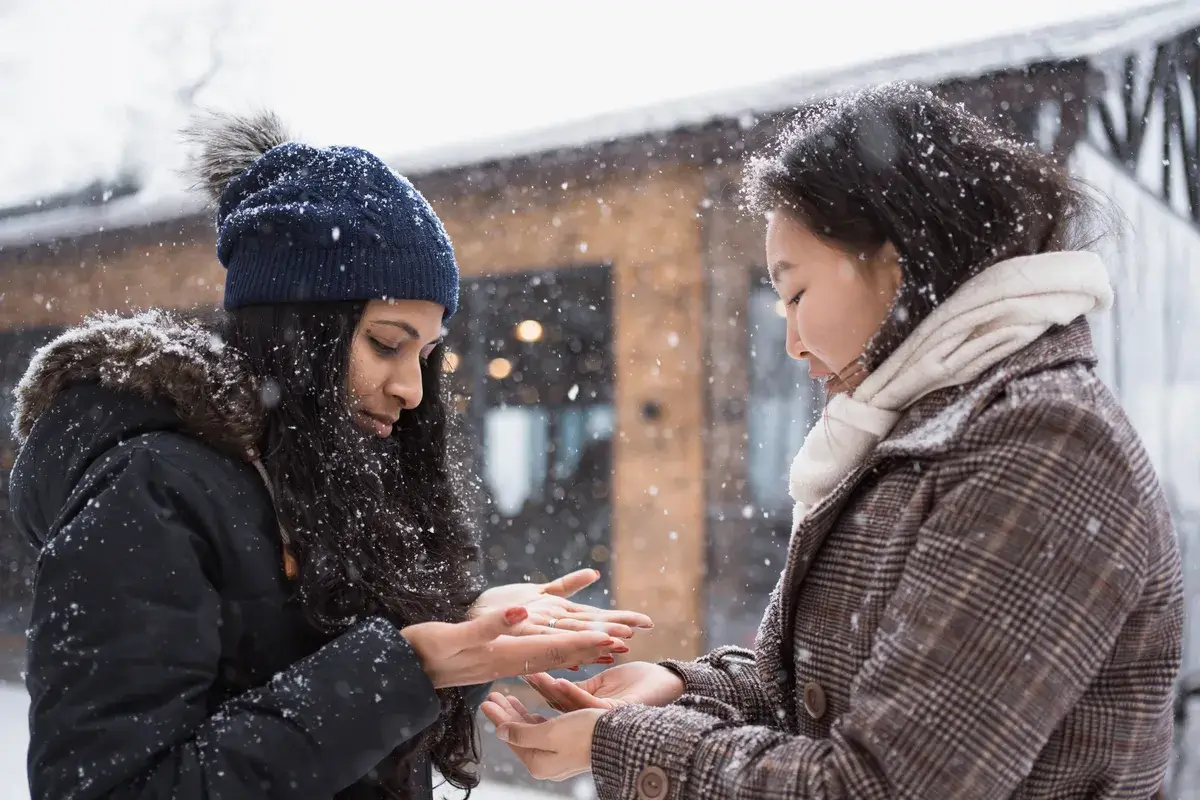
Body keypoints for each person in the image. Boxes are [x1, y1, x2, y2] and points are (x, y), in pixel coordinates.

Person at [483, 83, 1184, 798]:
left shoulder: (1044, 446)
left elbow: (882, 784)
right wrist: (676, 687)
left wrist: (620, 743)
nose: (790, 342)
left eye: (796, 294)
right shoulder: (922, 427)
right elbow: (826, 690)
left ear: (898, 262)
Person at [9, 111, 651, 800]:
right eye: (386, 343)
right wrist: (397, 670)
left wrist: (463, 637)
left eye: (426, 355)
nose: (411, 390)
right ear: (299, 331)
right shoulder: (149, 491)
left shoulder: (324, 477)